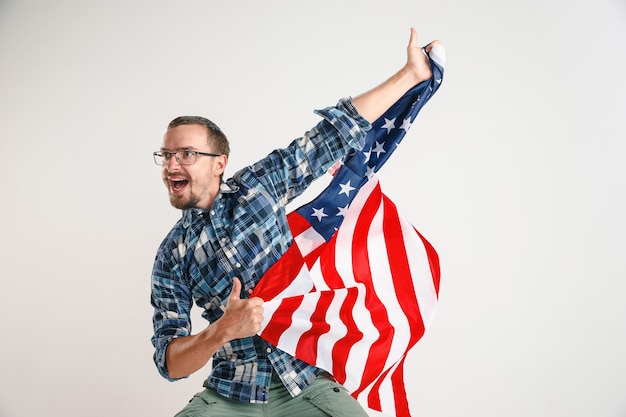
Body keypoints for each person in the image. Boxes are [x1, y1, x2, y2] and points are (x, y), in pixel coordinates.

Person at [151, 28, 440, 417]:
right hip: (229, 393)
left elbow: (330, 137)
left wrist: (410, 74)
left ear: (219, 163)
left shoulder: (259, 187)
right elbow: (169, 362)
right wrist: (221, 330)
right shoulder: (172, 254)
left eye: (186, 153)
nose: (172, 164)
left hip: (306, 382)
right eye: (166, 155)